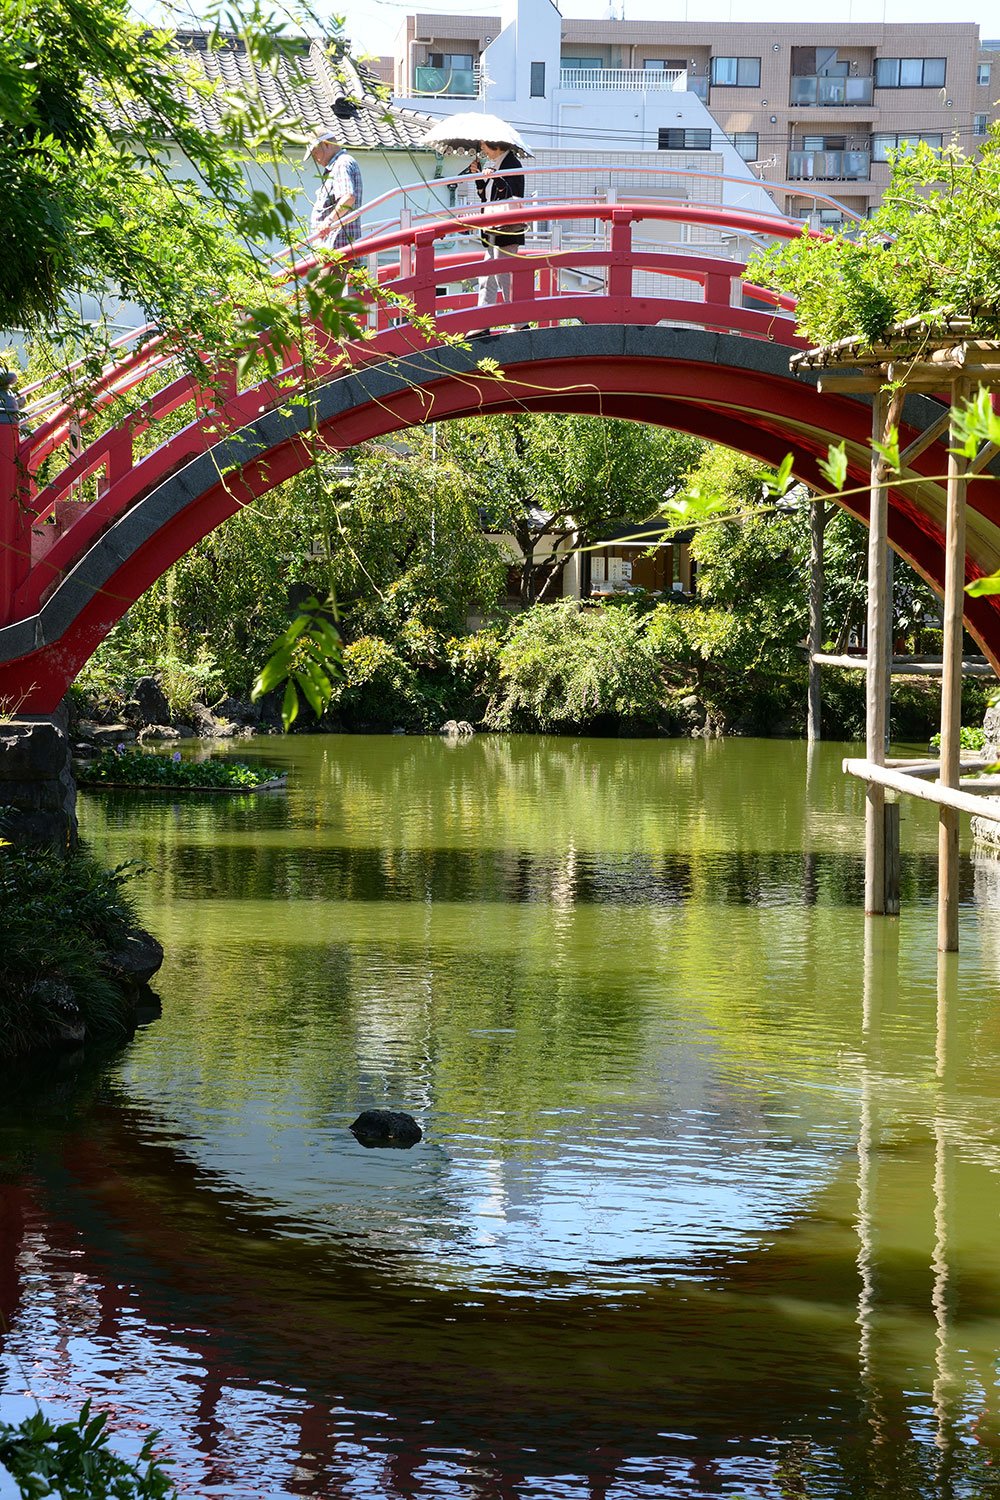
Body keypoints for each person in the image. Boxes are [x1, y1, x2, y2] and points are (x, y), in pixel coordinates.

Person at [473, 139, 526, 323]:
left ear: (496, 145)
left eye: (484, 145)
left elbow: (511, 193)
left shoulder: (512, 164)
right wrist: (480, 179)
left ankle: (520, 323)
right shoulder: (497, 164)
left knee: (504, 277)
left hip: (506, 230)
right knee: (486, 277)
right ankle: (483, 322)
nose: (482, 149)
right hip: (493, 230)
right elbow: (487, 197)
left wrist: (496, 178)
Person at [304, 129, 363, 250]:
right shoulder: (337, 165)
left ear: (326, 144)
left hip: (337, 249)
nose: (315, 158)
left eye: (315, 152)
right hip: (332, 247)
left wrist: (329, 221)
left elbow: (348, 198)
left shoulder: (341, 164)